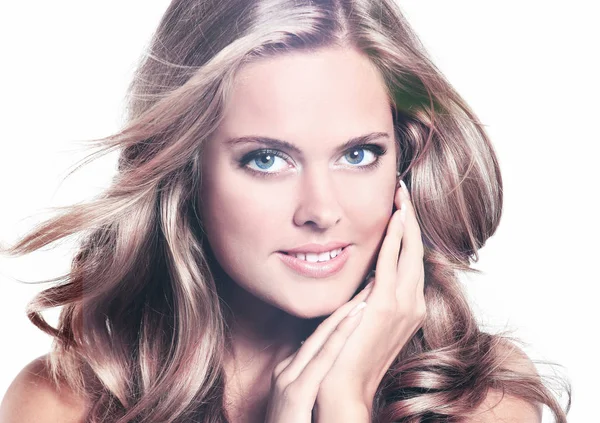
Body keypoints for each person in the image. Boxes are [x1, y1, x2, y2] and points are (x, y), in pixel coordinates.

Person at [0, 0, 571, 422]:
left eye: (359, 153)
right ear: (186, 171)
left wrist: (343, 405)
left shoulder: (480, 401)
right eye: (268, 159)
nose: (321, 210)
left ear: (405, 159)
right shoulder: (64, 403)